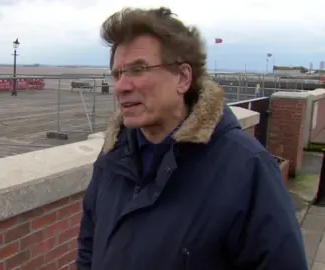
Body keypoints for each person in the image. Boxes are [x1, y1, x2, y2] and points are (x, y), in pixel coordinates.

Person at [76, 6, 307, 270]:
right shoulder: (111, 157)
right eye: (118, 73)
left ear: (183, 78)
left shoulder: (247, 168)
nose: (121, 86)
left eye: (138, 69)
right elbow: (88, 250)